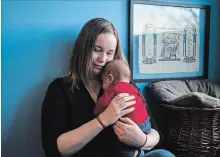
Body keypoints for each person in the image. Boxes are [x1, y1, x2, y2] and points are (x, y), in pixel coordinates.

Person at [41, 18, 176, 157]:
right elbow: (54, 149)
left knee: (164, 155)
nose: (103, 58)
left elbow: (155, 133)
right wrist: (103, 120)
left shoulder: (125, 84)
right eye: (97, 50)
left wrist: (142, 140)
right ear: (83, 49)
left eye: (109, 53)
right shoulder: (60, 89)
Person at [94, 59, 151, 157]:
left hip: (130, 127)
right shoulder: (133, 88)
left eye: (102, 80)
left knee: (120, 148)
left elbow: (100, 106)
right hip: (146, 124)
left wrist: (97, 110)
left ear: (110, 78)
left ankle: (135, 154)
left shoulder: (114, 89)